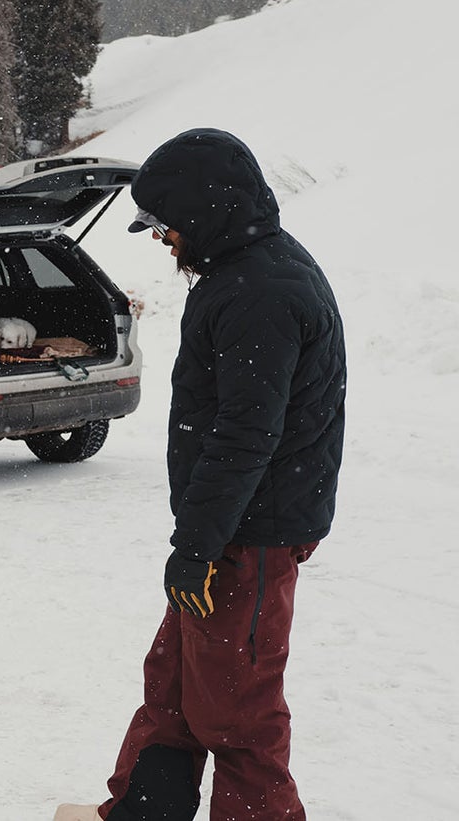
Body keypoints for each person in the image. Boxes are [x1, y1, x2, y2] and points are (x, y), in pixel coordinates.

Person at [56, 129, 346, 821]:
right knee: (177, 688)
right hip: (227, 531)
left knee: (237, 715)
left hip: (249, 535)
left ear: (204, 209)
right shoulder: (244, 272)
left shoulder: (262, 290)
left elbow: (246, 435)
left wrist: (198, 545)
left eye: (164, 224)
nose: (161, 240)